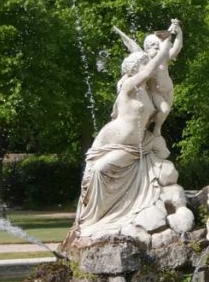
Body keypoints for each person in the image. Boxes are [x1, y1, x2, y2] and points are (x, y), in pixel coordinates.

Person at [73, 34, 173, 236]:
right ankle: (93, 219)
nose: (147, 66)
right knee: (99, 170)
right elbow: (150, 67)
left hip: (137, 145)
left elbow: (164, 102)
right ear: (134, 69)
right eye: (143, 63)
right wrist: (164, 46)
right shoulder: (130, 86)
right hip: (113, 140)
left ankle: (114, 215)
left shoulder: (147, 91)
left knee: (101, 171)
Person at [113, 19, 182, 138]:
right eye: (152, 46)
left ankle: (154, 125)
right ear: (146, 49)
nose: (156, 48)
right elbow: (132, 71)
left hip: (169, 90)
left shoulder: (164, 58)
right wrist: (122, 79)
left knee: (165, 113)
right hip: (156, 93)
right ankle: (157, 128)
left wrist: (179, 33)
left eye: (157, 46)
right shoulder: (145, 61)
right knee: (164, 110)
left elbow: (177, 47)